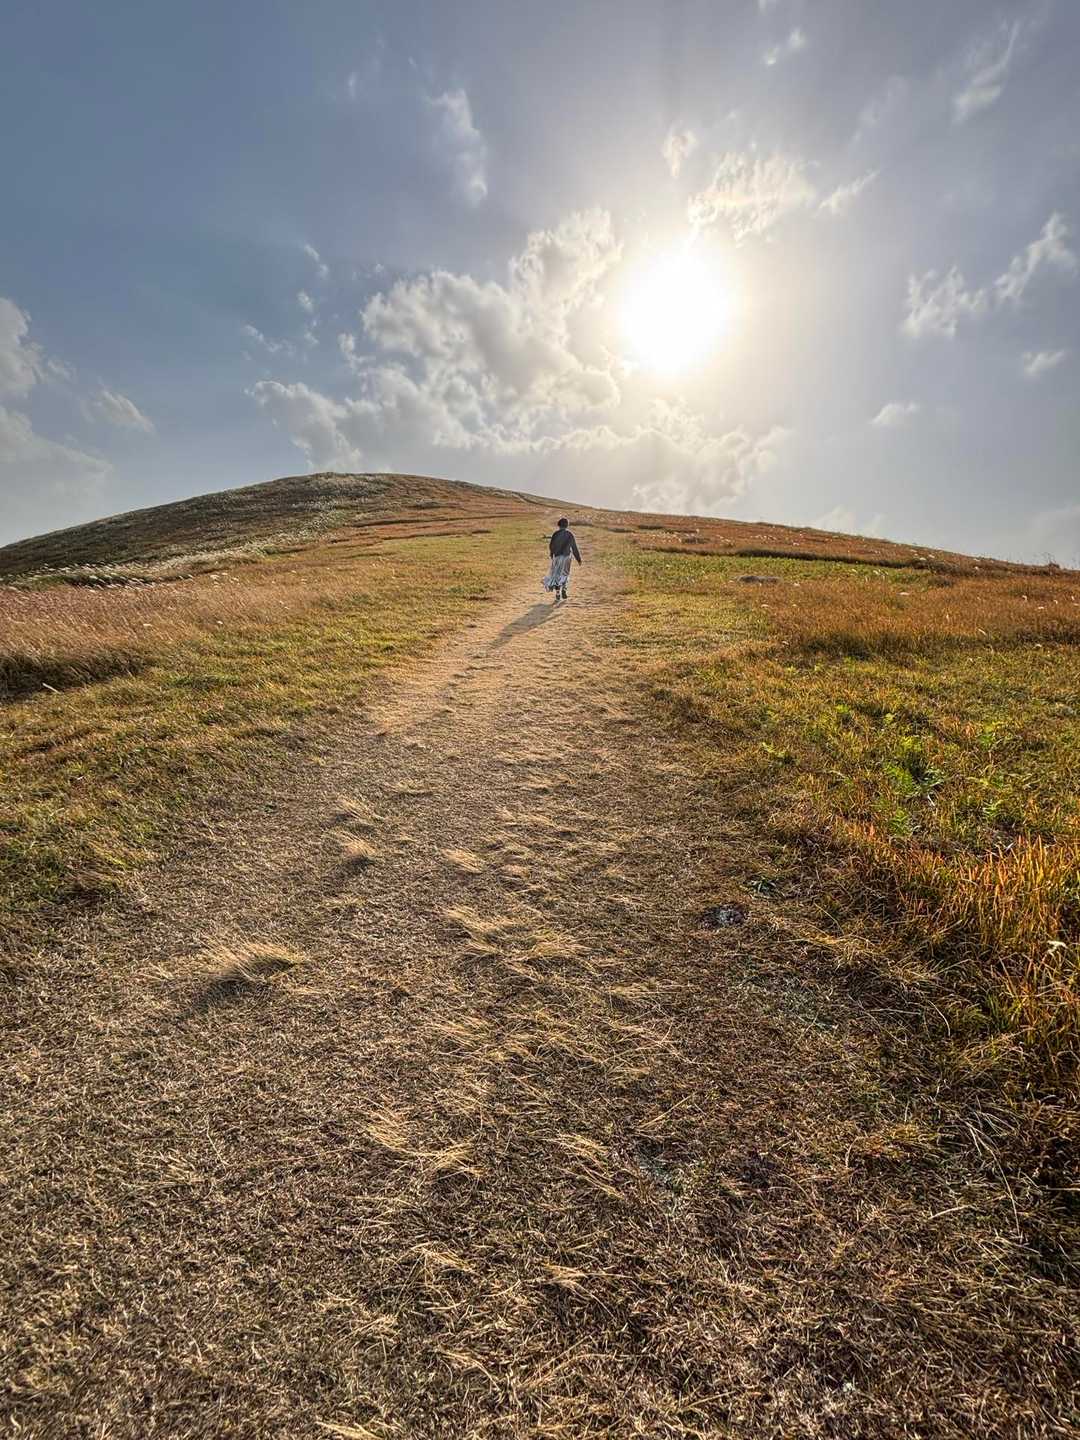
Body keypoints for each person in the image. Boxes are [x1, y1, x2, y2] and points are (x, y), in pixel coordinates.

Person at [543, 517, 582, 602]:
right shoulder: (569, 534)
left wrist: (552, 554)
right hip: (567, 557)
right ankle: (564, 588)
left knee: (557, 574)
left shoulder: (555, 534)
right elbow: (574, 547)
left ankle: (557, 593)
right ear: (567, 525)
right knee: (565, 574)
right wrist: (578, 559)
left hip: (557, 557)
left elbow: (551, 546)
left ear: (559, 525)